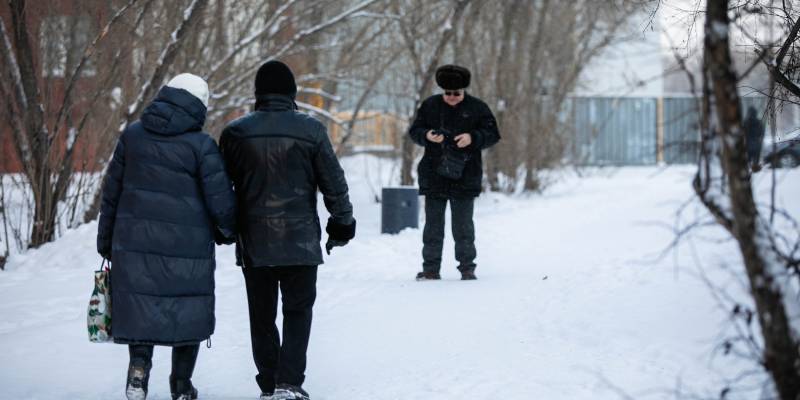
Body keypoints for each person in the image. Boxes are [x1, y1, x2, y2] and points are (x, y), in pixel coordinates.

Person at [219, 60, 355, 400]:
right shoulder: (311, 130)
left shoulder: (235, 132)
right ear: (292, 94)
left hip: (255, 240)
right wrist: (341, 223)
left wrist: (225, 228)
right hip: (300, 240)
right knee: (297, 312)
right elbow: (333, 183)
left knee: (261, 316)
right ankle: (289, 382)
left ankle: (269, 382)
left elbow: (220, 189)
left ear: (258, 93)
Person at [96, 73, 237, 400]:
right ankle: (182, 385)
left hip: (134, 243)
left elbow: (111, 193)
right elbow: (221, 200)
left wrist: (106, 241)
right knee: (185, 311)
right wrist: (228, 231)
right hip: (187, 249)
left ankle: (139, 370)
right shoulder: (201, 146)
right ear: (199, 107)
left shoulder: (132, 137)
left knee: (142, 307)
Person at [408, 64, 501, 281]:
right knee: (432, 227)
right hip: (434, 175)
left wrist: (473, 138)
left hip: (465, 175)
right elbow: (414, 131)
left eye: (456, 93)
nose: (451, 97)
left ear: (464, 91)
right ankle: (431, 269)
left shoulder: (478, 107)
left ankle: (467, 268)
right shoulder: (430, 105)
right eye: (447, 93)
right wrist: (427, 136)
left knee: (463, 227)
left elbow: (493, 134)